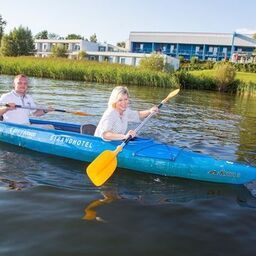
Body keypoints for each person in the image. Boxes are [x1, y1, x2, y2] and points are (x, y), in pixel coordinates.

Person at [94, 86, 159, 141]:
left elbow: (137, 115)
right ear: (114, 101)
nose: (124, 103)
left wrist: (150, 111)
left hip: (116, 142)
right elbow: (105, 134)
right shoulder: (110, 113)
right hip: (101, 143)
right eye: (120, 100)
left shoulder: (125, 111)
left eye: (126, 99)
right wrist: (124, 136)